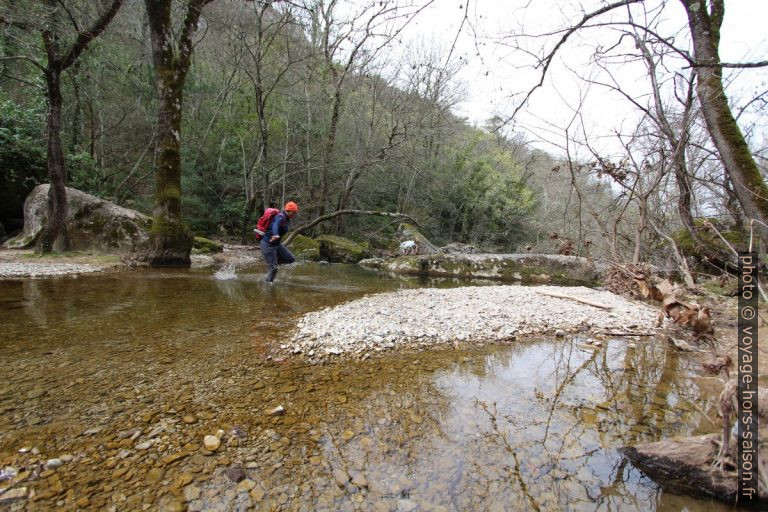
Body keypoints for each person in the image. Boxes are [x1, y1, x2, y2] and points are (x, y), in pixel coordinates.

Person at [260, 201, 299, 282]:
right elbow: (275, 225)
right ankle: (268, 285)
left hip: (277, 245)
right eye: (294, 212)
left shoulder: (287, 218)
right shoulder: (280, 217)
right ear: (290, 211)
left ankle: (272, 263)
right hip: (268, 245)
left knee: (291, 259)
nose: (295, 214)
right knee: (274, 269)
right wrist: (275, 234)